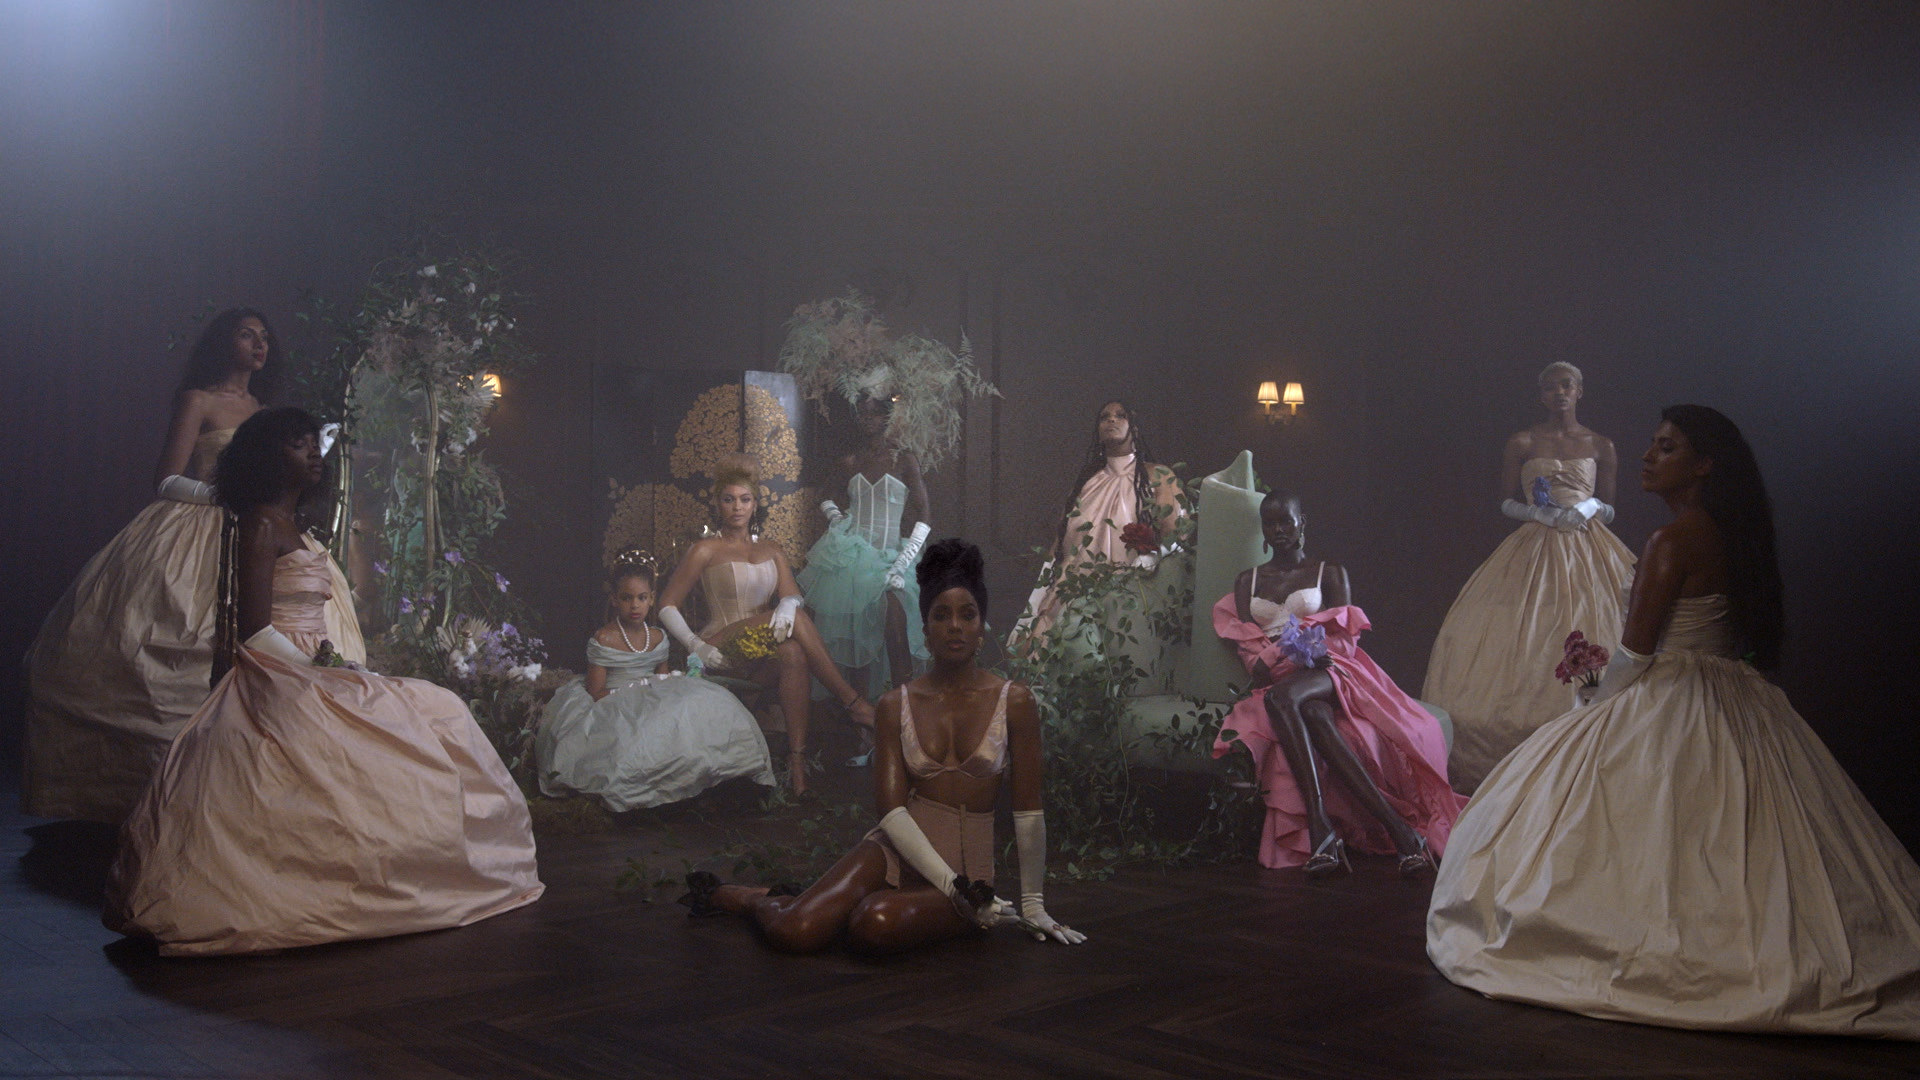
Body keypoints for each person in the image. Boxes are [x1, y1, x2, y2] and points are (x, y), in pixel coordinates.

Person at [1428, 405, 1920, 1039]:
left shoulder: (1673, 540)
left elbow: (1636, 653)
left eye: (1667, 447)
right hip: (1736, 696)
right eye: (1653, 444)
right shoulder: (1736, 534)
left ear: (1704, 464)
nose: (1647, 456)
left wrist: (1588, 701)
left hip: (1672, 694)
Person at [104, 407, 542, 956]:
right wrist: (324, 672)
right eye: (298, 444)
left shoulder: (296, 526)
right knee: (409, 718)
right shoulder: (261, 523)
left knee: (437, 709)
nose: (314, 452)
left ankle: (426, 867)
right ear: (268, 456)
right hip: (280, 670)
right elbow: (254, 631)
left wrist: (336, 667)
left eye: (315, 442)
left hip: (314, 663)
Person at [23, 309, 363, 824]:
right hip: (199, 526)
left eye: (264, 336)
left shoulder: (269, 414)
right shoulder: (198, 400)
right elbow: (166, 479)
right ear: (223, 342)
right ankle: (160, 790)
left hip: (261, 527)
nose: (259, 344)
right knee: (179, 637)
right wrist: (229, 498)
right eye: (246, 334)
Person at [679, 539, 1086, 953]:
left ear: (981, 628)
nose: (955, 626)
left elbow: (1028, 810)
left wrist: (1033, 906)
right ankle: (749, 898)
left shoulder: (1014, 701)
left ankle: (829, 901)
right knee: (794, 929)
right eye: (941, 615)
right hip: (894, 848)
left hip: (968, 869)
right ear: (925, 629)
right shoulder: (896, 704)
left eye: (967, 615)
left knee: (874, 922)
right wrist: (952, 887)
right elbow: (891, 812)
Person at [1212, 489, 1465, 874]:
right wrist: (1275, 659)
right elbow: (1251, 654)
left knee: (1281, 699)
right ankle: (1400, 832)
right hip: (1282, 679)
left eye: (1285, 521)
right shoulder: (1248, 580)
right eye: (1269, 522)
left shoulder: (1328, 572)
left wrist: (1299, 653)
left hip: (1328, 670)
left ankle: (1320, 828)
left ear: (1302, 523)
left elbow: (1344, 641)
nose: (1278, 530)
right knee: (1312, 713)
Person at [1422, 362, 1636, 792]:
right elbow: (1504, 501)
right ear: (1541, 395)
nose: (1560, 393)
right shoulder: (1522, 441)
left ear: (1580, 390)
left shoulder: (1601, 445)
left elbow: (1610, 508)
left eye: (1567, 385)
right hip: (1534, 543)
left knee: (1593, 619)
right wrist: (1539, 514)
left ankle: (1589, 736)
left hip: (1588, 545)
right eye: (1551, 387)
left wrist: (1589, 507)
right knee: (1519, 630)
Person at [656, 459, 877, 795]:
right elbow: (666, 605)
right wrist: (696, 646)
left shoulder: (772, 549)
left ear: (755, 504)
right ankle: (854, 703)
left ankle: (797, 765)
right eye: (729, 499)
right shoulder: (705, 549)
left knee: (792, 652)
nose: (737, 507)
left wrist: (788, 603)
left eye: (744, 499)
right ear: (718, 504)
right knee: (796, 620)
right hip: (719, 646)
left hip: (761, 653)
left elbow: (792, 595)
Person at [535, 555, 776, 810]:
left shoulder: (658, 636)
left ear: (651, 599)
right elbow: (595, 692)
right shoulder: (605, 638)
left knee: (700, 704)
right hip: (613, 699)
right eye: (626, 598)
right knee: (639, 733)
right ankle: (652, 797)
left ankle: (717, 781)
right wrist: (635, 692)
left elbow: (664, 678)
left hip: (653, 693)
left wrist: (661, 688)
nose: (635, 605)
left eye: (642, 598)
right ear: (614, 600)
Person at [796, 396, 931, 762]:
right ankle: (866, 732)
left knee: (896, 633)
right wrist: (840, 521)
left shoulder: (904, 459)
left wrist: (902, 563)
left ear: (889, 415)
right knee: (858, 643)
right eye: (863, 412)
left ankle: (906, 728)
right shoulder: (851, 460)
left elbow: (924, 515)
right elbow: (825, 495)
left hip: (891, 559)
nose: (868, 419)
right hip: (854, 558)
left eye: (875, 412)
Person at [1008, 400, 1185, 653]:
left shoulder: (1158, 475)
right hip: (1072, 592)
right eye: (1105, 417)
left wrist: (1153, 556)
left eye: (1121, 415)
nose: (1111, 420)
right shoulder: (1087, 483)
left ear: (1135, 429)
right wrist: (1036, 599)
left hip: (1130, 596)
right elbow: (1059, 548)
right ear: (1098, 431)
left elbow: (1176, 531)